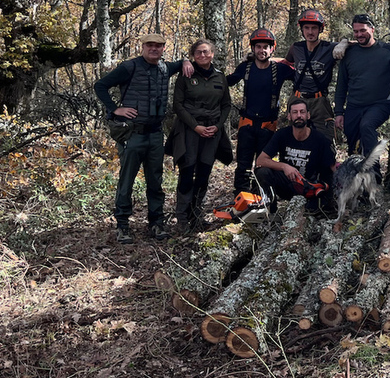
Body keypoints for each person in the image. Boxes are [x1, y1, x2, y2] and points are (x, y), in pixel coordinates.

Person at [94, 33, 193, 244]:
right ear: (143, 47)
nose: (154, 49)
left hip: (156, 135)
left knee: (155, 182)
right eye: (150, 45)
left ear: (163, 49)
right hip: (132, 134)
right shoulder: (129, 67)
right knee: (126, 181)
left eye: (158, 46)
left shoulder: (165, 68)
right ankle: (122, 226)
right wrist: (115, 109)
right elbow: (100, 86)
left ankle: (156, 224)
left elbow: (184, 62)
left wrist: (185, 60)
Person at [165, 39, 233, 231]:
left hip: (212, 132)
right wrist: (195, 127)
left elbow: (226, 104)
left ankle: (196, 216)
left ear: (212, 54)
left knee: (204, 173)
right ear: (193, 55)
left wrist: (218, 127)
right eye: (198, 53)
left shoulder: (220, 77)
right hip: (189, 130)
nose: (202, 56)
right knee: (187, 172)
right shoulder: (186, 75)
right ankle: (182, 219)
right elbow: (178, 105)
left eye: (206, 52)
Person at [226, 28, 295, 195]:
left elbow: (301, 75)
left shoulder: (279, 69)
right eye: (258, 46)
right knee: (243, 165)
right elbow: (226, 82)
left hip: (268, 126)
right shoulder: (245, 68)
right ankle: (241, 199)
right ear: (253, 48)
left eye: (266, 47)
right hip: (246, 125)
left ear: (272, 49)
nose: (262, 50)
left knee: (263, 165)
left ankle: (259, 198)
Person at [254, 97, 337, 208]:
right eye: (295, 112)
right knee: (262, 172)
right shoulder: (282, 135)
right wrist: (284, 166)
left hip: (311, 187)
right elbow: (260, 160)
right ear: (289, 116)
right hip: (288, 184)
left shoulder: (320, 139)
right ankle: (269, 208)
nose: (299, 115)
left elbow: (331, 168)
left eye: (302, 112)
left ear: (308, 115)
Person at [334, 13, 390, 157]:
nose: (359, 34)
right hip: (354, 105)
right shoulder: (348, 53)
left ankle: (374, 174)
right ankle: (354, 175)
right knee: (352, 142)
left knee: (367, 126)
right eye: (356, 31)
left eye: (363, 31)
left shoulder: (388, 51)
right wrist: (338, 112)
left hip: (380, 104)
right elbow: (341, 85)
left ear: (372, 30)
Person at [282, 8, 345, 142]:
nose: (310, 32)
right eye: (307, 28)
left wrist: (344, 43)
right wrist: (256, 59)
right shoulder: (296, 47)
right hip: (297, 98)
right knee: (294, 139)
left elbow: (359, 44)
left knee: (325, 140)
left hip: (319, 102)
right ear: (302, 29)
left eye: (314, 28)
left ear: (320, 29)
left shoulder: (329, 47)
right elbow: (285, 63)